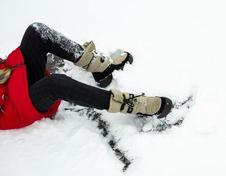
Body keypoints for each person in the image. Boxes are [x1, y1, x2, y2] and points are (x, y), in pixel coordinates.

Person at [0, 22, 173, 130]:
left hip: (12, 81)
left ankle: (101, 67)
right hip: (16, 107)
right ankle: (133, 104)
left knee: (36, 32)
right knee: (55, 84)